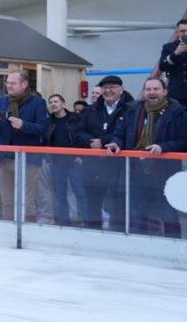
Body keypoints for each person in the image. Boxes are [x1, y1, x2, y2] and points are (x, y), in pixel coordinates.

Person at [105, 77, 187, 236]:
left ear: (165, 92)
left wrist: (163, 147)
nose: (152, 92)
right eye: (148, 89)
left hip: (165, 173)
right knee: (137, 214)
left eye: (156, 89)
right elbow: (120, 133)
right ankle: (141, 246)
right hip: (136, 172)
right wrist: (116, 143)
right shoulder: (133, 110)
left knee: (168, 215)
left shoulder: (179, 113)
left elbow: (184, 140)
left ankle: (172, 247)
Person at [74, 75, 135, 231]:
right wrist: (90, 142)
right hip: (93, 167)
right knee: (91, 205)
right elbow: (78, 131)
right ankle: (92, 235)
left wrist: (102, 142)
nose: (108, 91)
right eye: (105, 88)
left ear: (121, 90)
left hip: (118, 166)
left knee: (118, 205)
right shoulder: (90, 110)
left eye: (112, 87)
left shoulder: (130, 109)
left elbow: (128, 133)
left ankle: (117, 235)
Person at [0, 71, 48, 221]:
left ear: (24, 84)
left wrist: (23, 125)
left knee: (27, 202)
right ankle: (8, 231)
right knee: (7, 201)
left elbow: (43, 128)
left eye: (13, 83)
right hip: (4, 159)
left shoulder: (37, 102)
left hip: (28, 160)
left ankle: (27, 234)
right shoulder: (1, 101)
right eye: (7, 83)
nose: (9, 86)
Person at [44, 94, 84, 227]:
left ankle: (85, 221)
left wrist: (81, 155)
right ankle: (63, 223)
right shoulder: (49, 121)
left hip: (74, 162)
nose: (53, 104)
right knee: (60, 195)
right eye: (51, 102)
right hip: (56, 163)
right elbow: (46, 140)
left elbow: (82, 136)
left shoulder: (75, 118)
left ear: (63, 104)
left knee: (80, 193)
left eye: (56, 101)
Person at [158, 19, 187, 106]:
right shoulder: (169, 47)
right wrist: (175, 53)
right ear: (177, 32)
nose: (186, 33)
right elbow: (162, 67)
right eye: (183, 31)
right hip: (176, 93)